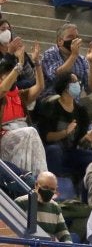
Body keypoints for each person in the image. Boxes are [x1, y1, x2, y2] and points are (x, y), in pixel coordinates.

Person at [40, 25, 92, 131]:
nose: (75, 40)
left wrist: (91, 62)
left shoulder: (82, 60)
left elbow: (91, 88)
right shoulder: (50, 54)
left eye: (77, 37)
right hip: (53, 98)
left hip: (77, 101)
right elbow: (56, 76)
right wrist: (73, 55)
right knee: (67, 104)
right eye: (71, 37)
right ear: (60, 41)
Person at [33, 71, 92, 192]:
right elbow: (46, 136)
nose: (78, 84)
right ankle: (54, 189)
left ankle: (83, 192)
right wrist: (65, 132)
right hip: (51, 150)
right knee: (55, 150)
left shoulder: (81, 111)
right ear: (65, 86)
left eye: (77, 81)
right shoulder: (50, 105)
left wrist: (87, 138)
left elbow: (79, 141)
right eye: (74, 82)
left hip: (70, 151)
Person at [0, 46, 47, 177]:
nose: (13, 78)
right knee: (30, 132)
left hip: (23, 133)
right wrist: (19, 64)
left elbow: (40, 87)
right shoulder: (1, 93)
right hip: (4, 136)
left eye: (14, 75)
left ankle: (40, 179)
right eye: (8, 75)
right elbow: (3, 90)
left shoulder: (20, 95)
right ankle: (31, 178)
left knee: (31, 136)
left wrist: (37, 63)